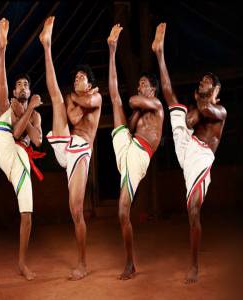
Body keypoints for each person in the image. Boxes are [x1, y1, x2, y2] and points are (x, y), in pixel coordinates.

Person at [152, 22, 227, 283]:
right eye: (202, 80)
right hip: (187, 145)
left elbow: (203, 114)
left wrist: (199, 104)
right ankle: (159, 53)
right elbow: (189, 121)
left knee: (193, 211)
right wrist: (192, 109)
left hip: (202, 155)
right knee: (171, 100)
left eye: (208, 82)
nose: (202, 81)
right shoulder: (199, 106)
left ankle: (194, 265)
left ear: (216, 91)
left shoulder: (220, 111)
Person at [39, 16, 102, 280]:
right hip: (65, 145)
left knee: (76, 210)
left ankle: (83, 263)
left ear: (90, 83)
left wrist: (71, 99)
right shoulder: (73, 97)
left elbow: (77, 116)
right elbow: (68, 112)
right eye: (75, 77)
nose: (76, 80)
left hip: (80, 152)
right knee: (54, 100)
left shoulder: (96, 96)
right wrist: (66, 100)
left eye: (81, 77)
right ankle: (47, 46)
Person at [107, 24, 164, 280]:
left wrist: (137, 103)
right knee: (114, 99)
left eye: (144, 84)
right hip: (128, 145)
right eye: (139, 84)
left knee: (122, 212)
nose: (140, 87)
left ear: (152, 90)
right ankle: (112, 49)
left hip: (140, 154)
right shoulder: (142, 110)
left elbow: (132, 101)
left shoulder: (156, 105)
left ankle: (130, 263)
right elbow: (127, 120)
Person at [0, 17, 44, 281]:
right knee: (2, 105)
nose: (23, 87)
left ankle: (22, 263)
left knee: (27, 214)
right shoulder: (10, 104)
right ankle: (1, 47)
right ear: (15, 91)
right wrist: (3, 49)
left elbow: (36, 141)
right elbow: (15, 133)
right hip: (5, 146)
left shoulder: (34, 114)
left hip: (21, 158)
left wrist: (32, 109)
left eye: (27, 84)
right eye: (20, 85)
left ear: (30, 90)